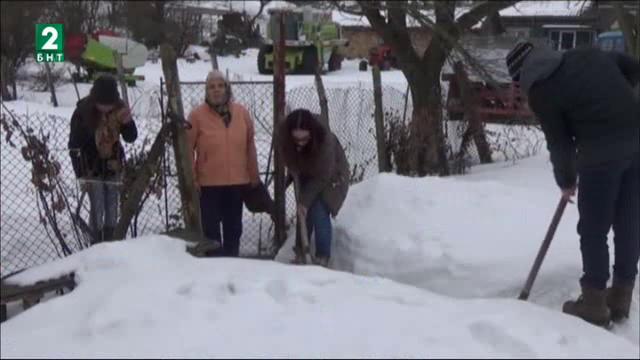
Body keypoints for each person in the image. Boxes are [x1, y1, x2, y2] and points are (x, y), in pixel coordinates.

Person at [506, 42, 639, 326]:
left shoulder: (542, 90)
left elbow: (560, 143)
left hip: (600, 153)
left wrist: (566, 181)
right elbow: (631, 67)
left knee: (593, 228)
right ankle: (621, 297)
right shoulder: (587, 54)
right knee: (628, 222)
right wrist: (617, 99)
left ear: (521, 75)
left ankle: (594, 304)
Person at [186, 70, 260, 257]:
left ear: (227, 89)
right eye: (211, 87)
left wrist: (254, 175)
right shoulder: (196, 116)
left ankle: (233, 268)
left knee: (234, 230)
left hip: (237, 182)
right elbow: (186, 149)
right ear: (206, 91)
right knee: (211, 234)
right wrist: (192, 179)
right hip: (208, 185)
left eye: (220, 86)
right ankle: (214, 274)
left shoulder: (242, 113)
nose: (216, 90)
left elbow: (250, 145)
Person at [68, 75, 137, 243]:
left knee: (112, 207)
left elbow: (131, 137)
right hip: (91, 167)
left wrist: (128, 123)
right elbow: (74, 145)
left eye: (109, 105)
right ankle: (96, 243)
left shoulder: (120, 109)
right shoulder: (83, 112)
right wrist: (80, 174)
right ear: (95, 99)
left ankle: (111, 241)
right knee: (97, 208)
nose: (106, 108)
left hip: (113, 165)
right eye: (102, 105)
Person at [277, 109, 350, 267]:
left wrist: (304, 201)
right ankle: (301, 252)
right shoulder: (285, 139)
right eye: (296, 139)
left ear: (312, 132)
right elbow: (291, 162)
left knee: (318, 209)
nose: (300, 143)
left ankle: (322, 257)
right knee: (303, 212)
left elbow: (323, 176)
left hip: (333, 176)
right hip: (308, 174)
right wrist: (288, 182)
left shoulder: (325, 140)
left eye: (304, 139)